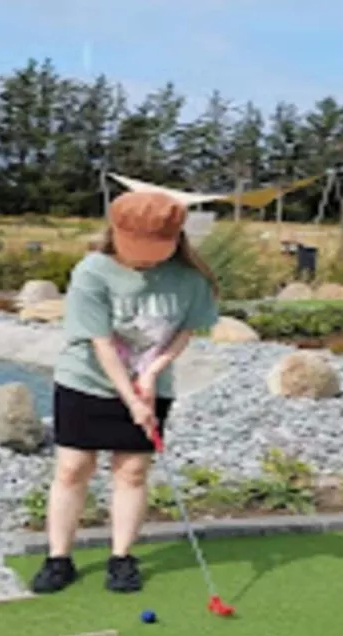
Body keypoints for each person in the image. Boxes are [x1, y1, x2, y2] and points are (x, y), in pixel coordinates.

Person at [30, 190, 219, 597]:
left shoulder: (190, 280)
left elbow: (184, 331)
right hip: (87, 380)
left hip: (151, 387)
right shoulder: (92, 272)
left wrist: (152, 373)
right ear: (115, 234)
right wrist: (130, 398)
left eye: (156, 249)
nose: (145, 258)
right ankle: (58, 558)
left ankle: (121, 558)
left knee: (132, 472)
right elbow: (100, 342)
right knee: (72, 468)